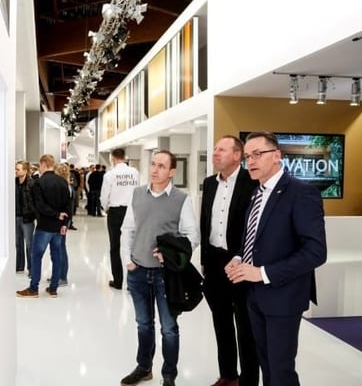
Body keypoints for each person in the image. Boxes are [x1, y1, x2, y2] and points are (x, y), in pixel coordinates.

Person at [225, 131, 327, 386]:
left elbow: (316, 252)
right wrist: (238, 257)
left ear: (277, 155)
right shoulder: (256, 193)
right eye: (248, 156)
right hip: (254, 295)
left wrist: (262, 273)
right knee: (267, 365)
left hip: (284, 296)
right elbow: (253, 239)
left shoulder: (301, 193)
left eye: (257, 154)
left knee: (281, 370)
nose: (251, 161)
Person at [120, 150, 200, 386]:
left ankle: (169, 375)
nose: (154, 170)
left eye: (161, 166)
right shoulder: (137, 194)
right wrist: (128, 260)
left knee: (169, 328)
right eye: (153, 164)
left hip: (167, 275)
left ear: (172, 171)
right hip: (138, 271)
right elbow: (127, 229)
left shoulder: (181, 199)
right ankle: (144, 367)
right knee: (144, 324)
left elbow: (192, 236)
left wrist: (171, 255)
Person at [200, 136, 259, 386]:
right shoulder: (209, 183)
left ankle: (249, 380)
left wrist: (244, 258)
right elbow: (205, 223)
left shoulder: (251, 182)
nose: (215, 153)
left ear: (237, 156)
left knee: (245, 325)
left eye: (222, 150)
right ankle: (228, 375)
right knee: (221, 321)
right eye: (215, 149)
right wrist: (204, 260)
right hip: (214, 262)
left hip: (240, 261)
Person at [17, 154, 71, 298]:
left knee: (36, 256)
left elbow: (40, 206)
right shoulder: (63, 182)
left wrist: (55, 215)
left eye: (39, 166)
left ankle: (33, 288)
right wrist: (64, 222)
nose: (39, 168)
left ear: (43, 164)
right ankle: (53, 289)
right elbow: (68, 205)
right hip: (59, 227)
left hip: (44, 226)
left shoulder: (39, 183)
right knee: (56, 256)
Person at [100, 148, 139, 290]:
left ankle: (118, 281)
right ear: (125, 157)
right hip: (132, 210)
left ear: (112, 158)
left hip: (115, 211)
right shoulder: (134, 172)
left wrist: (105, 207)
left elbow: (105, 196)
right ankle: (133, 282)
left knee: (115, 246)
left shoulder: (110, 175)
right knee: (133, 245)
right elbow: (138, 191)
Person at [55, 163, 75, 286]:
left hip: (63, 221)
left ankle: (62, 277)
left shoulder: (65, 187)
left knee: (60, 248)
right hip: (63, 221)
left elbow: (68, 208)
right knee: (58, 248)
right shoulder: (66, 186)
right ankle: (58, 274)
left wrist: (65, 222)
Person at [15, 160, 36, 275]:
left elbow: (35, 202)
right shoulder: (13, 183)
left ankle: (31, 268)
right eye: (15, 169)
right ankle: (19, 266)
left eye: (18, 169)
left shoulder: (32, 184)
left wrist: (32, 214)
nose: (16, 171)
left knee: (29, 244)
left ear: (25, 171)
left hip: (27, 218)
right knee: (18, 243)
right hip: (16, 217)